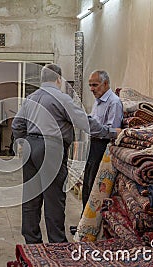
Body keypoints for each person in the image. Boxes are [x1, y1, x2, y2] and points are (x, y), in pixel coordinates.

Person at [11, 64, 119, 244]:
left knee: (31, 197)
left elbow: (17, 125)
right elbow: (85, 122)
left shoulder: (30, 98)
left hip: (30, 147)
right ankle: (56, 243)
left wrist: (23, 141)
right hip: (51, 148)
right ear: (58, 79)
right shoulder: (61, 98)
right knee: (54, 197)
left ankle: (32, 241)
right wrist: (111, 132)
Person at [81, 70, 123, 214]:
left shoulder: (114, 103)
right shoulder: (98, 102)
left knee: (94, 184)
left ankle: (90, 223)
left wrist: (92, 125)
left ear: (105, 84)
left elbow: (113, 130)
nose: (92, 89)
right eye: (90, 85)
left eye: (95, 85)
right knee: (87, 184)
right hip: (93, 145)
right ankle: (84, 221)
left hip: (102, 146)